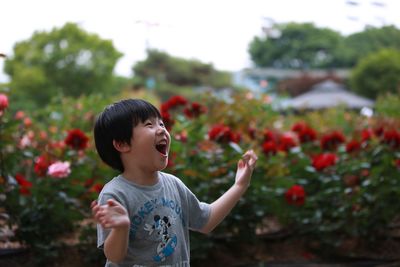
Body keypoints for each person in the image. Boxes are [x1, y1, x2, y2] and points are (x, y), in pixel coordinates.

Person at [91, 98, 257, 267]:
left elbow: (206, 221)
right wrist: (121, 228)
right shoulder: (115, 194)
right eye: (149, 125)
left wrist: (240, 185)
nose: (161, 130)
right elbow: (114, 256)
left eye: (162, 124)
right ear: (122, 144)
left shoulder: (173, 184)